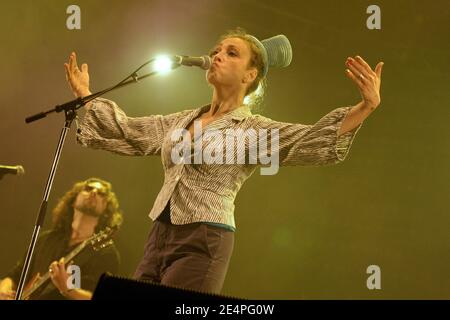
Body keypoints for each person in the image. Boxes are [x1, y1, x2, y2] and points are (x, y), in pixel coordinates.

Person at [63, 27, 383, 294]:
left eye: (231, 52)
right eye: (217, 50)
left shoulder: (251, 129)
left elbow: (307, 139)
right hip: (160, 232)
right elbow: (130, 130)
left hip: (205, 237)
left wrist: (365, 107)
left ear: (250, 74)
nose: (217, 55)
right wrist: (86, 94)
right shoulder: (184, 119)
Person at [0, 178, 122, 300]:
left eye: (101, 193)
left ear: (106, 208)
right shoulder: (47, 239)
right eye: (88, 188)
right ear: (73, 200)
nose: (94, 192)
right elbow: (16, 275)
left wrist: (68, 289)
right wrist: (3, 290)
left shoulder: (105, 252)